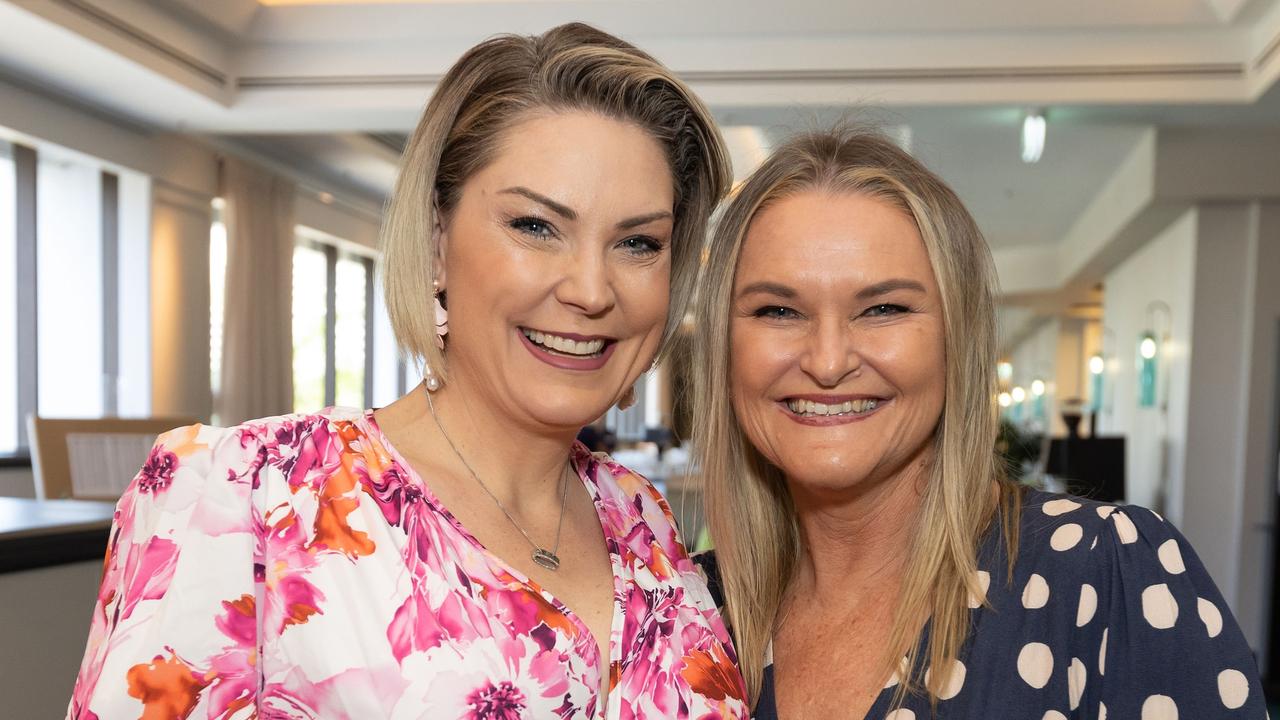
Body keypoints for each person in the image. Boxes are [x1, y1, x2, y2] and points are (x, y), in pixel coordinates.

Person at [68, 23, 748, 719]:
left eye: (637, 242)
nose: (591, 288)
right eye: (536, 227)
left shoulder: (644, 520)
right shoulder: (251, 495)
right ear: (436, 242)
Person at [691, 127, 1265, 718]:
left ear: (956, 341)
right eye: (778, 310)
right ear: (724, 347)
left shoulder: (1105, 575)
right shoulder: (688, 610)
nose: (829, 360)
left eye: (883, 308)